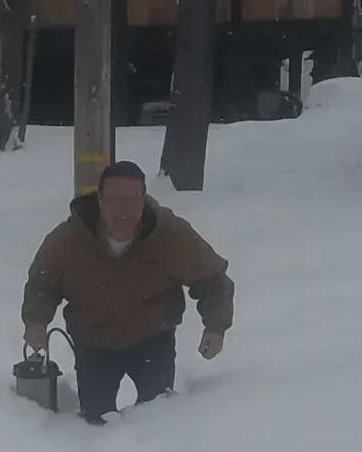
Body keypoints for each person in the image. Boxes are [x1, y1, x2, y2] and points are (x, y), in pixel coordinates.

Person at [21, 160, 234, 424]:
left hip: (152, 338)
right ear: (100, 200)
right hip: (93, 341)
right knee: (94, 422)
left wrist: (216, 326)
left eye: (132, 200)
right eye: (115, 200)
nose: (124, 210)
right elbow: (43, 282)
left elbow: (212, 278)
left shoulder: (169, 234)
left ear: (143, 200)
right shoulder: (70, 238)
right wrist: (36, 321)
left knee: (159, 419)